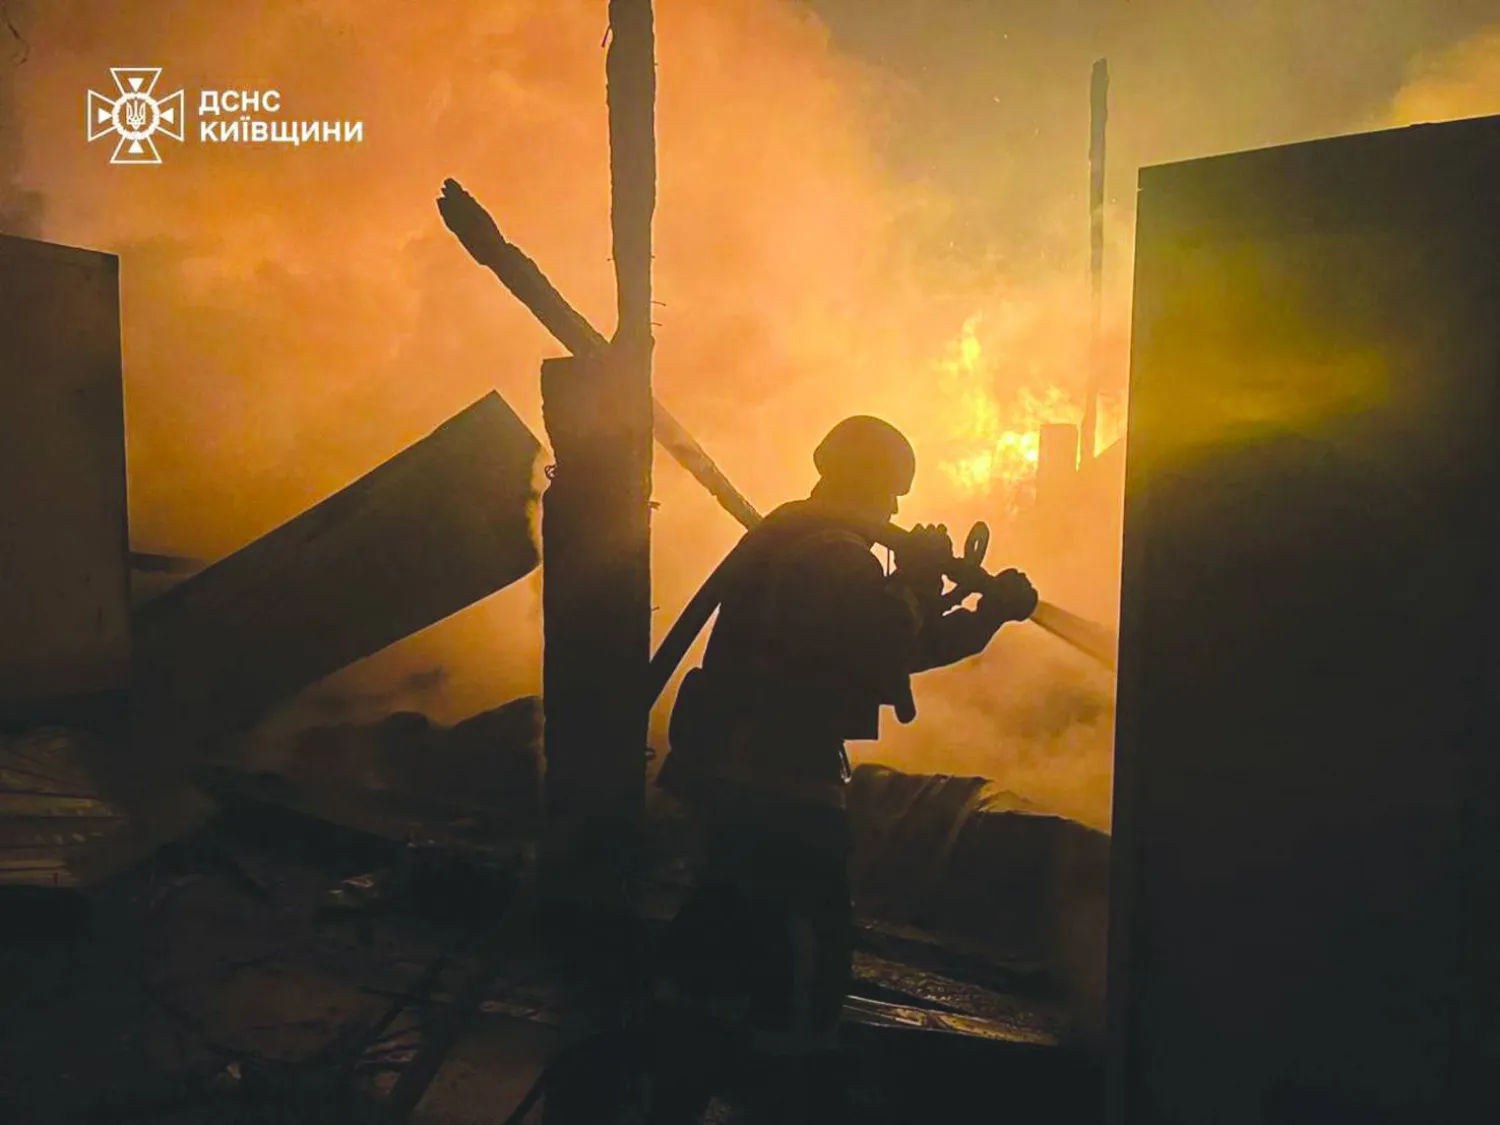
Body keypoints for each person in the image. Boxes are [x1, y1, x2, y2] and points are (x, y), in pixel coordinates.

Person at [645, 415, 1038, 1123]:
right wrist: (917, 578)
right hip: (782, 788)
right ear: (867, 481)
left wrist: (986, 617)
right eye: (891, 496)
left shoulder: (809, 543)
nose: (894, 513)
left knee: (720, 936)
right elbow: (880, 639)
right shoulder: (830, 552)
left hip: (748, 782)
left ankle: (673, 1088)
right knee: (806, 958)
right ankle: (777, 1092)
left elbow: (899, 645)